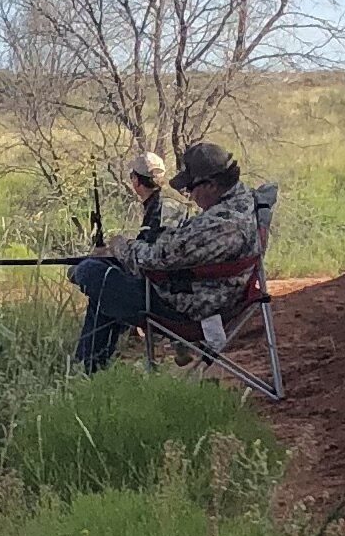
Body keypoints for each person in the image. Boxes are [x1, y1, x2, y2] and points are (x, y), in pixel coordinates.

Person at [67, 139, 262, 373]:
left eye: (191, 188)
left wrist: (118, 246)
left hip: (187, 308)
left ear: (211, 185)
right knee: (106, 285)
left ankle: (86, 369)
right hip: (206, 291)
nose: (189, 195)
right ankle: (86, 370)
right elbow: (173, 251)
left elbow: (156, 258)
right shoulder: (244, 201)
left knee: (92, 272)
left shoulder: (221, 225)